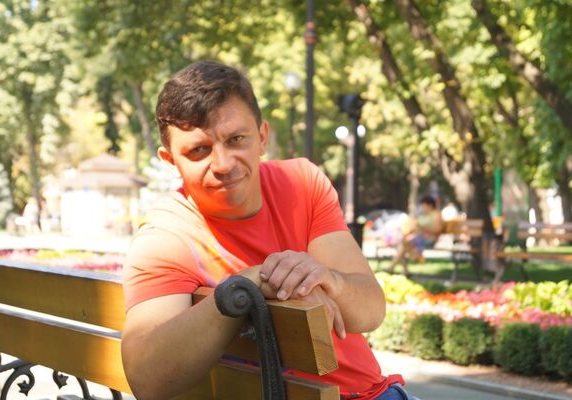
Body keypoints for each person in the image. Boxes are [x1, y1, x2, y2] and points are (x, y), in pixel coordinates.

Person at [121, 61, 417, 400]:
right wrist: (248, 284)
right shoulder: (165, 237)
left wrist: (328, 280)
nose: (223, 164)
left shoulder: (302, 183)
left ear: (262, 137)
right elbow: (146, 378)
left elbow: (371, 311)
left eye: (236, 139)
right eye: (198, 150)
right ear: (171, 160)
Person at [385, 195, 443, 277]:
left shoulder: (436, 215)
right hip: (418, 238)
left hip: (429, 239)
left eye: (424, 206)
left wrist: (422, 228)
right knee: (402, 243)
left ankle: (396, 266)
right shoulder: (423, 215)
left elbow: (438, 230)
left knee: (403, 244)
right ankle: (405, 267)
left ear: (430, 205)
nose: (423, 208)